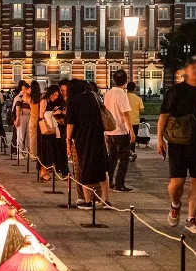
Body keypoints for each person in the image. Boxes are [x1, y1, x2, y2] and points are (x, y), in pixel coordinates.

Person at [158, 56, 196, 234]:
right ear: (186, 71)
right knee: (176, 183)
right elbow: (164, 115)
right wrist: (159, 138)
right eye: (193, 68)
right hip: (177, 142)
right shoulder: (175, 90)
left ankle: (192, 219)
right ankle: (175, 204)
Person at [66, 79, 110, 209]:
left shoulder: (73, 101)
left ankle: (87, 201)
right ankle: (105, 200)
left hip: (82, 138)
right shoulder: (93, 97)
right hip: (98, 136)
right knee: (102, 167)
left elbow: (70, 124)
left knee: (85, 166)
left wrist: (68, 141)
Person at [104, 70, 135, 192]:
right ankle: (119, 183)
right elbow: (125, 114)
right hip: (121, 131)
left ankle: (109, 181)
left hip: (110, 130)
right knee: (123, 158)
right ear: (126, 81)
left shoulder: (108, 93)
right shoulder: (122, 94)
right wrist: (131, 131)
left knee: (112, 157)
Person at [37, 85, 60, 182]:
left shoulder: (50, 102)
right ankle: (43, 172)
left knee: (49, 150)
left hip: (49, 129)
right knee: (44, 150)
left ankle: (46, 170)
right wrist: (54, 113)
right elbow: (41, 115)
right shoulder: (44, 101)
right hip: (44, 129)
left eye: (57, 95)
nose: (55, 97)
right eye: (54, 95)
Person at [52, 80, 69, 177]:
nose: (63, 92)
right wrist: (58, 117)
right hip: (61, 126)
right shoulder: (58, 100)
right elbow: (52, 112)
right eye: (61, 90)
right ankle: (64, 171)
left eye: (64, 90)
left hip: (70, 126)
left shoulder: (72, 99)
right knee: (62, 148)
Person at [127, 82, 145, 162]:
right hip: (134, 122)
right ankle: (132, 152)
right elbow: (142, 110)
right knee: (133, 138)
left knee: (125, 139)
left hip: (125, 122)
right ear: (134, 88)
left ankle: (126, 154)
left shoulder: (124, 97)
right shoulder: (138, 99)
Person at [13, 82, 31, 154]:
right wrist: (17, 119)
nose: (24, 91)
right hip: (22, 116)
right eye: (23, 89)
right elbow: (17, 108)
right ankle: (20, 152)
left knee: (28, 136)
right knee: (21, 135)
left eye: (25, 89)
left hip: (29, 116)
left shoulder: (30, 97)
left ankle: (26, 152)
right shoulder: (20, 97)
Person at [27, 81, 42, 165]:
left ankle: (33, 155)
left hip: (33, 118)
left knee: (32, 138)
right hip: (40, 119)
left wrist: (27, 91)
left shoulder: (30, 98)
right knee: (40, 138)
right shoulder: (41, 96)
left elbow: (23, 98)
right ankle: (39, 153)